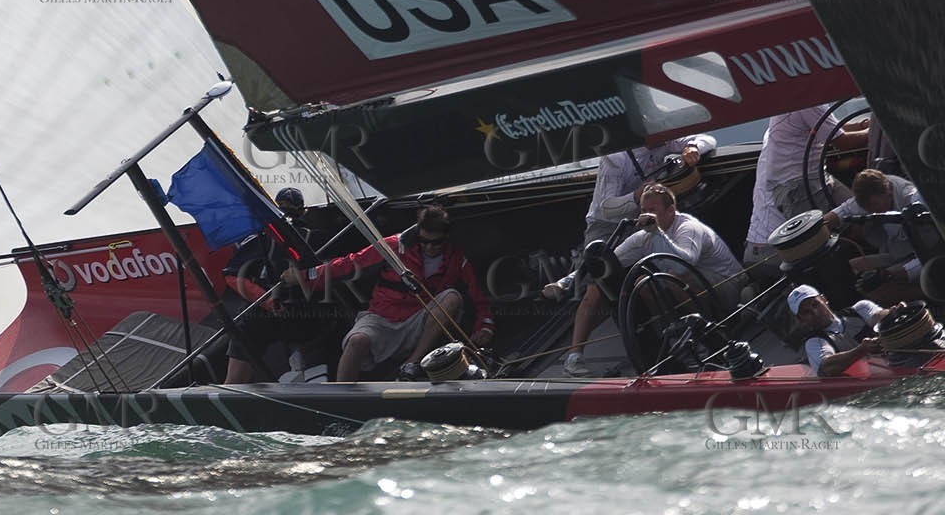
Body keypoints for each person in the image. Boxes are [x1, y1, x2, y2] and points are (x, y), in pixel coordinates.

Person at [282, 204, 493, 382]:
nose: (429, 247)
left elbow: (478, 295)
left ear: (446, 237)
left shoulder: (457, 259)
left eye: (435, 242)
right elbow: (349, 263)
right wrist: (305, 277)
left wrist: (485, 325)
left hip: (418, 321)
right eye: (424, 241)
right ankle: (341, 394)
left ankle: (411, 365)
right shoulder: (393, 246)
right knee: (357, 342)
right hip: (382, 318)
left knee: (452, 298)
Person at [551, 182, 743, 376]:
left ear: (671, 210)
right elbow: (609, 260)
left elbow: (682, 264)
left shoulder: (688, 228)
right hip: (698, 290)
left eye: (653, 210)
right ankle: (674, 338)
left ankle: (708, 336)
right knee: (642, 282)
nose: (647, 215)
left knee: (670, 277)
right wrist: (565, 281)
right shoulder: (644, 236)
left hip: (726, 288)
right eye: (643, 210)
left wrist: (657, 233)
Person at [543, 134, 715, 298]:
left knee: (647, 270)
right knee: (597, 290)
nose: (671, 137)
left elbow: (708, 139)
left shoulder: (664, 140)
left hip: (640, 219)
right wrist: (635, 196)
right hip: (605, 224)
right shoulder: (615, 158)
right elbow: (606, 207)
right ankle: (570, 286)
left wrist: (693, 148)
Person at [222, 188, 350, 383]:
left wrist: (268, 302)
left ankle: (232, 387)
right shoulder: (320, 238)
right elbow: (339, 273)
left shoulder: (260, 238)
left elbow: (232, 276)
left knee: (245, 330)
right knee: (339, 317)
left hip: (272, 312)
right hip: (312, 314)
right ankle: (321, 370)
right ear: (303, 211)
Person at [744, 104, 868, 267]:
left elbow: (827, 123)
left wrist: (862, 125)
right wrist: (875, 130)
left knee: (862, 211)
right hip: (799, 186)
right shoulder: (804, 101)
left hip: (816, 177)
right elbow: (842, 142)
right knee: (821, 245)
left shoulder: (799, 102)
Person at [827, 168, 931, 302]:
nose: (871, 210)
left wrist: (888, 275)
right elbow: (841, 212)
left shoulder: (913, 201)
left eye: (874, 205)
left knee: (879, 292)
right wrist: (816, 229)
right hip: (897, 254)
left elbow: (931, 256)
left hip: (922, 260)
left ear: (888, 192)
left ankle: (931, 294)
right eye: (867, 208)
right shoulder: (872, 194)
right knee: (850, 267)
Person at [787, 284, 888, 376]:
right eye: (807, 312)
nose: (815, 312)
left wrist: (892, 312)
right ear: (801, 319)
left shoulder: (860, 309)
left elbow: (879, 317)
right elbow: (827, 367)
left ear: (824, 299)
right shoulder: (813, 342)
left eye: (815, 304)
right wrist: (861, 350)